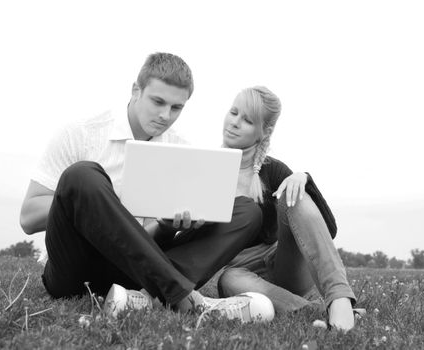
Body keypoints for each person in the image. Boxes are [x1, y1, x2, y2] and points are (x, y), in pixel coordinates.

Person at [19, 52, 265, 317]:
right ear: (136, 90)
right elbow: (29, 218)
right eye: (157, 101)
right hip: (75, 270)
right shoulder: (80, 133)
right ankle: (183, 297)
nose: (165, 115)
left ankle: (144, 298)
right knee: (82, 176)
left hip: (134, 272)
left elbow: (149, 237)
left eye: (176, 108)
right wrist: (97, 204)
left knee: (245, 211)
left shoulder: (180, 150)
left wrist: (166, 225)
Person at [214, 86, 357, 331]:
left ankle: (340, 298)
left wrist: (304, 180)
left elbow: (327, 231)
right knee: (229, 279)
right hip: (241, 272)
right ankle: (313, 311)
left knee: (294, 194)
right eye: (233, 112)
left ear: (264, 132)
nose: (234, 123)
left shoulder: (274, 170)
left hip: (284, 262)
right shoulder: (209, 169)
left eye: (247, 120)